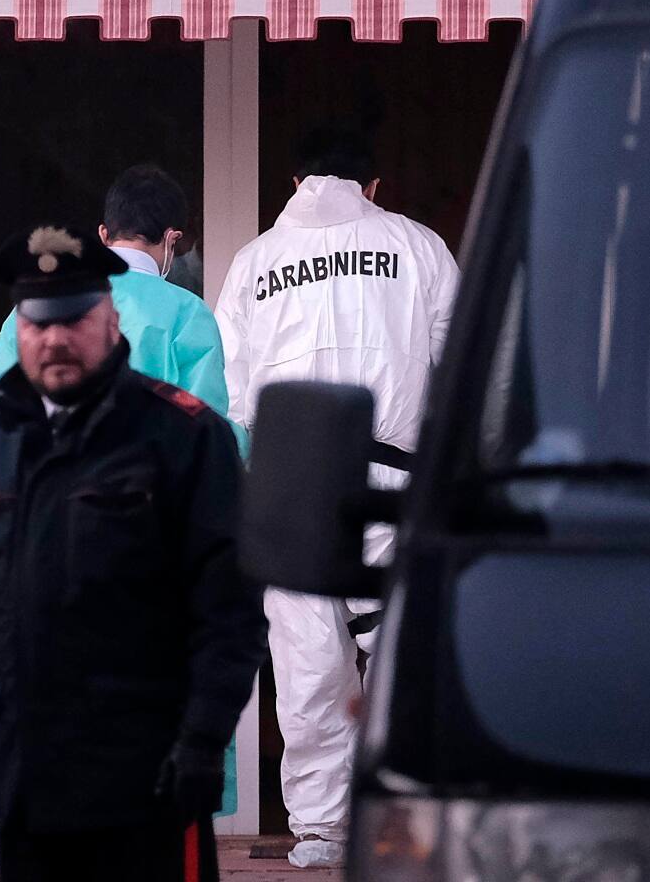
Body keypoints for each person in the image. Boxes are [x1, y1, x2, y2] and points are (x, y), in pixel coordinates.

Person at [0, 224, 266, 881]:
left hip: (147, 783)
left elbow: (229, 612)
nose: (55, 340)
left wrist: (204, 738)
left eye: (74, 321)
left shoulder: (183, 439)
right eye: (39, 324)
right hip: (28, 789)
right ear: (19, 331)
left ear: (108, 321)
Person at [214, 129, 458, 868]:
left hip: (294, 484)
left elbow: (231, 390)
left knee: (308, 658)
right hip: (398, 476)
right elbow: (458, 362)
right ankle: (411, 812)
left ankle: (321, 828)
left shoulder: (255, 263)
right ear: (372, 187)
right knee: (399, 648)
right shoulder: (418, 248)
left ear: (293, 184)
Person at [0, 164, 246, 454]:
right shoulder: (187, 313)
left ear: (103, 235)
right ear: (171, 239)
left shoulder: (35, 306)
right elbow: (208, 436)